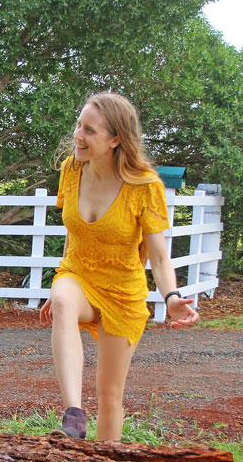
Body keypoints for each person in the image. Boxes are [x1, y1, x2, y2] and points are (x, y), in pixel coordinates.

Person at [39, 92, 198, 441]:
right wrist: (62, 288)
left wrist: (171, 297)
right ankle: (74, 417)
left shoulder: (145, 186)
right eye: (78, 125)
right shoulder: (71, 170)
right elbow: (73, 233)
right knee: (64, 301)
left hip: (123, 294)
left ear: (115, 139)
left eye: (89, 130)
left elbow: (158, 256)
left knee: (109, 396)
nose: (78, 135)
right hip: (78, 275)